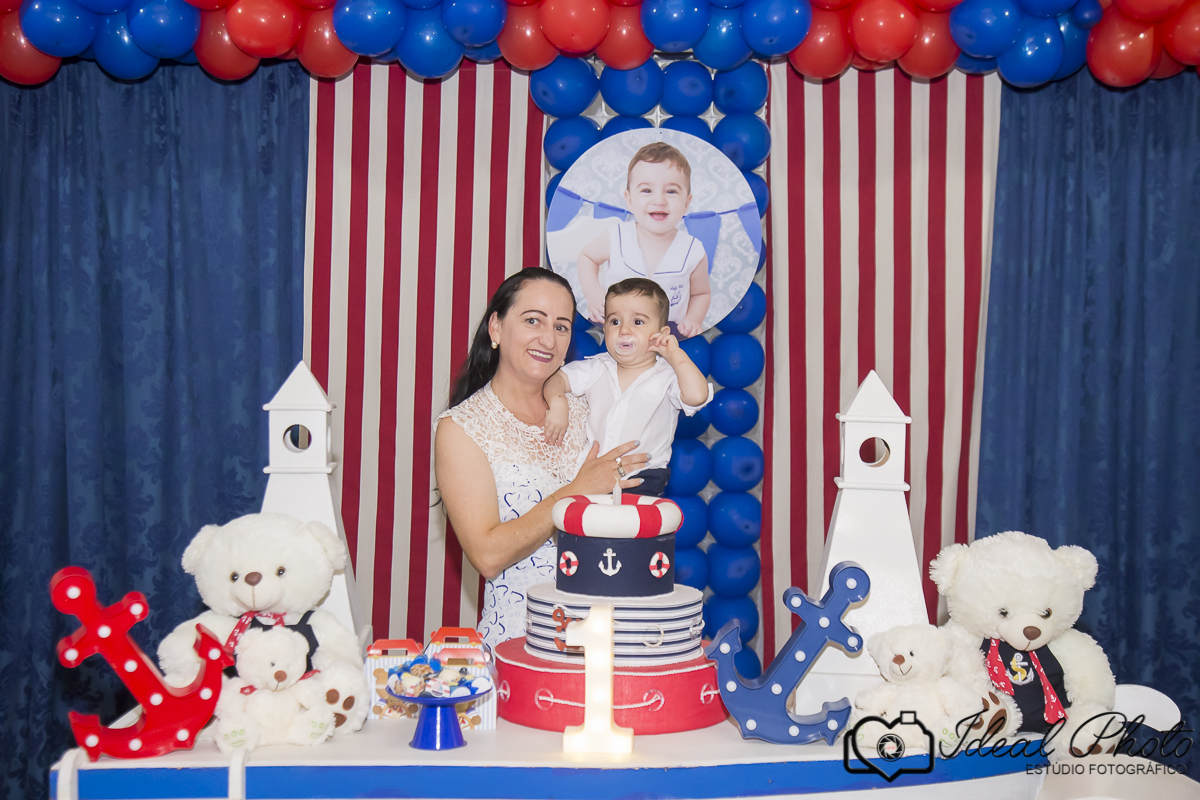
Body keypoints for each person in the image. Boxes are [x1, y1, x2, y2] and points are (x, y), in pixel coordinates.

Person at [434, 268, 650, 648]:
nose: (548, 339)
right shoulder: (462, 427)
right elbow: (487, 554)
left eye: (562, 326)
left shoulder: (590, 406)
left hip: (609, 633)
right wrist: (575, 493)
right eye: (533, 320)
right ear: (496, 329)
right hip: (523, 638)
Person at [542, 278, 712, 497]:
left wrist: (675, 355)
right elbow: (556, 379)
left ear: (662, 333)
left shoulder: (668, 377)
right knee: (585, 526)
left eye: (638, 322)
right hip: (592, 475)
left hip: (643, 478)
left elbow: (697, 396)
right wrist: (557, 404)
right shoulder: (596, 367)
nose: (624, 330)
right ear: (604, 328)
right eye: (614, 322)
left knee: (628, 527)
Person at [576, 142, 712, 339]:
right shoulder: (617, 237)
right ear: (629, 200)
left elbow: (701, 294)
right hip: (620, 335)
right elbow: (586, 257)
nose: (659, 200)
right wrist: (594, 293)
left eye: (671, 191)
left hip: (668, 337)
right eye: (647, 191)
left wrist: (693, 319)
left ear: (687, 203)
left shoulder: (693, 250)